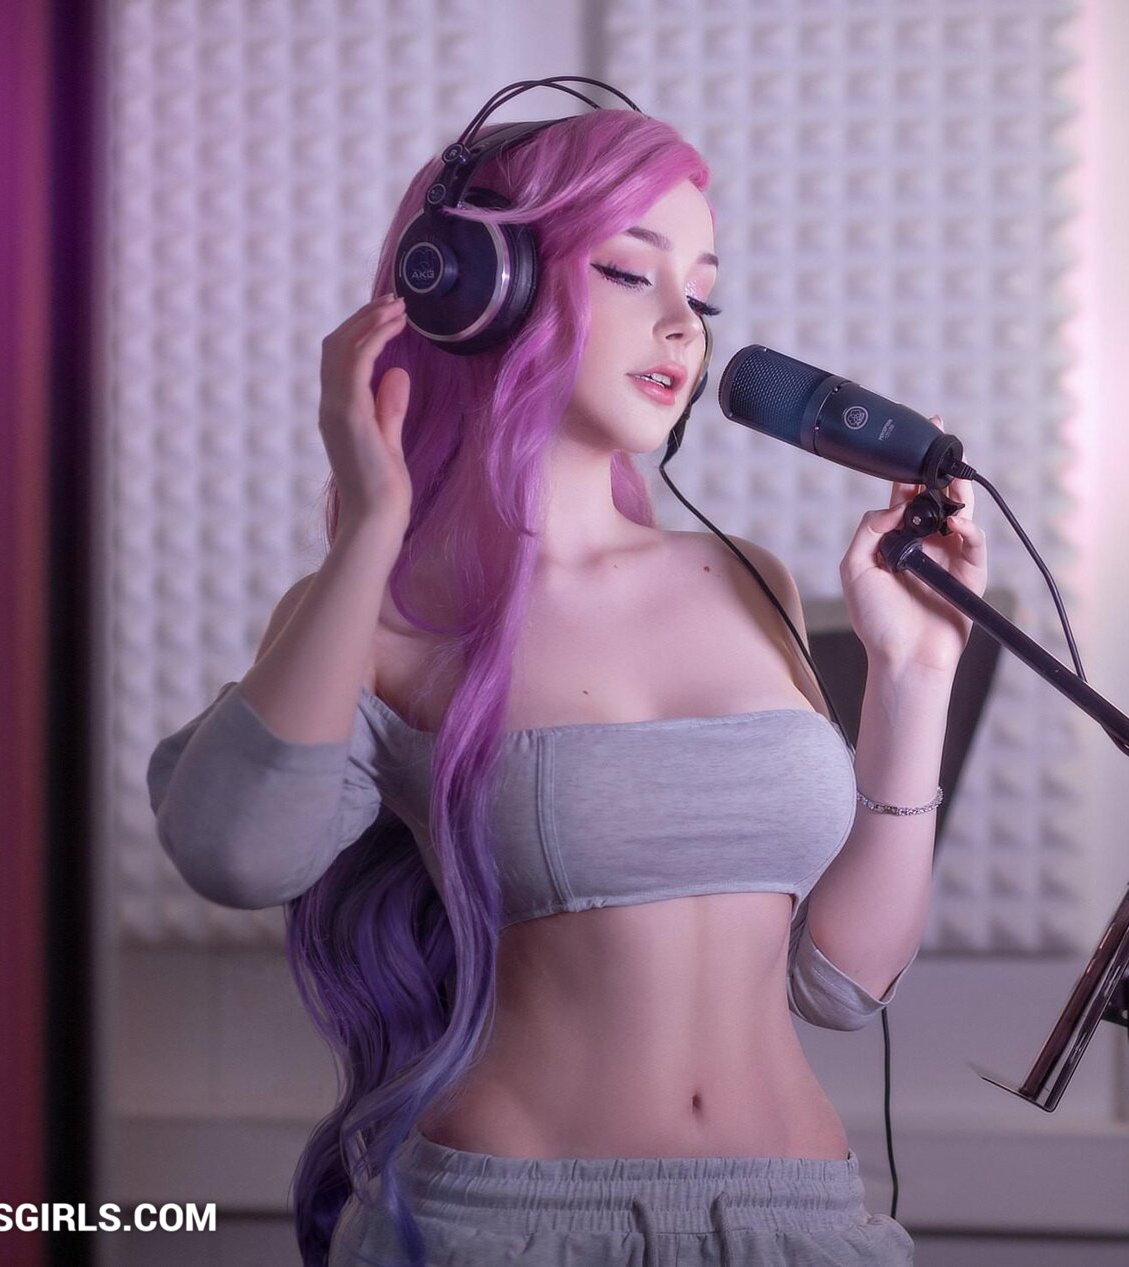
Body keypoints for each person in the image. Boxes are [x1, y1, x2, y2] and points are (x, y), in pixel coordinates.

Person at [146, 101, 987, 1266]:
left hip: (798, 1223)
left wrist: (914, 674)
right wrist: (370, 531)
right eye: (630, 272)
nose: (681, 325)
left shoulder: (750, 580)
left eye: (702, 294)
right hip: (514, 1228)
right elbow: (235, 854)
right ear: (476, 288)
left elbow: (843, 984)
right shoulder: (388, 611)